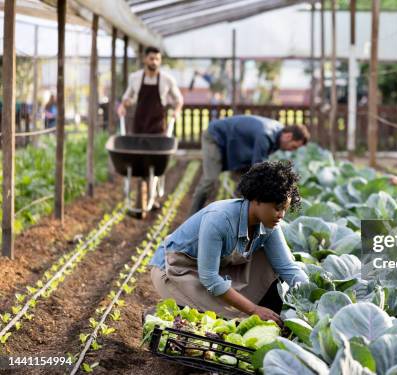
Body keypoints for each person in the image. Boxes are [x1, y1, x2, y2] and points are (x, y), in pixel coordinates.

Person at [149, 161, 307, 324]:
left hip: (216, 269)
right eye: (277, 208)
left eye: (285, 209)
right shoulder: (220, 219)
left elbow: (288, 267)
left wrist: (313, 297)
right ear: (258, 199)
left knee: (270, 262)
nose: (281, 215)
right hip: (175, 269)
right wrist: (253, 309)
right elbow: (209, 278)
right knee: (213, 320)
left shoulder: (270, 225)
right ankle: (161, 313)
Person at [189, 115, 310, 214]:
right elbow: (258, 170)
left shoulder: (278, 133)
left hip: (235, 146)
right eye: (293, 146)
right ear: (288, 136)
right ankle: (192, 217)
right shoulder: (266, 135)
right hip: (216, 137)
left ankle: (234, 217)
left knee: (242, 186)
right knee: (210, 180)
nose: (291, 150)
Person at [117, 46, 183, 134]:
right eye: (151, 59)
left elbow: (178, 99)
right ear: (145, 59)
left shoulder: (167, 79)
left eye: (157, 59)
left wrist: (177, 110)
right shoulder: (135, 77)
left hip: (158, 125)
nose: (154, 62)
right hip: (139, 125)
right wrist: (123, 106)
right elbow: (126, 98)